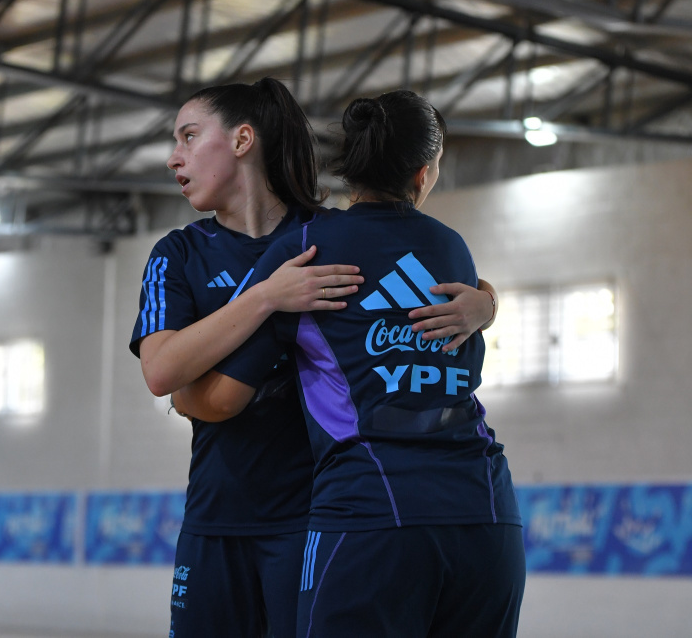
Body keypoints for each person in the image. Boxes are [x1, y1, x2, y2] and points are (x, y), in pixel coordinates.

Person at [131, 78, 498, 638]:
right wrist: (265, 297)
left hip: (317, 518)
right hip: (216, 514)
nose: (172, 159)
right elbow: (161, 371)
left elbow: (430, 276)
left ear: (241, 140)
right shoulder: (179, 253)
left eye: (187, 136)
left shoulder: (329, 237)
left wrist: (487, 303)